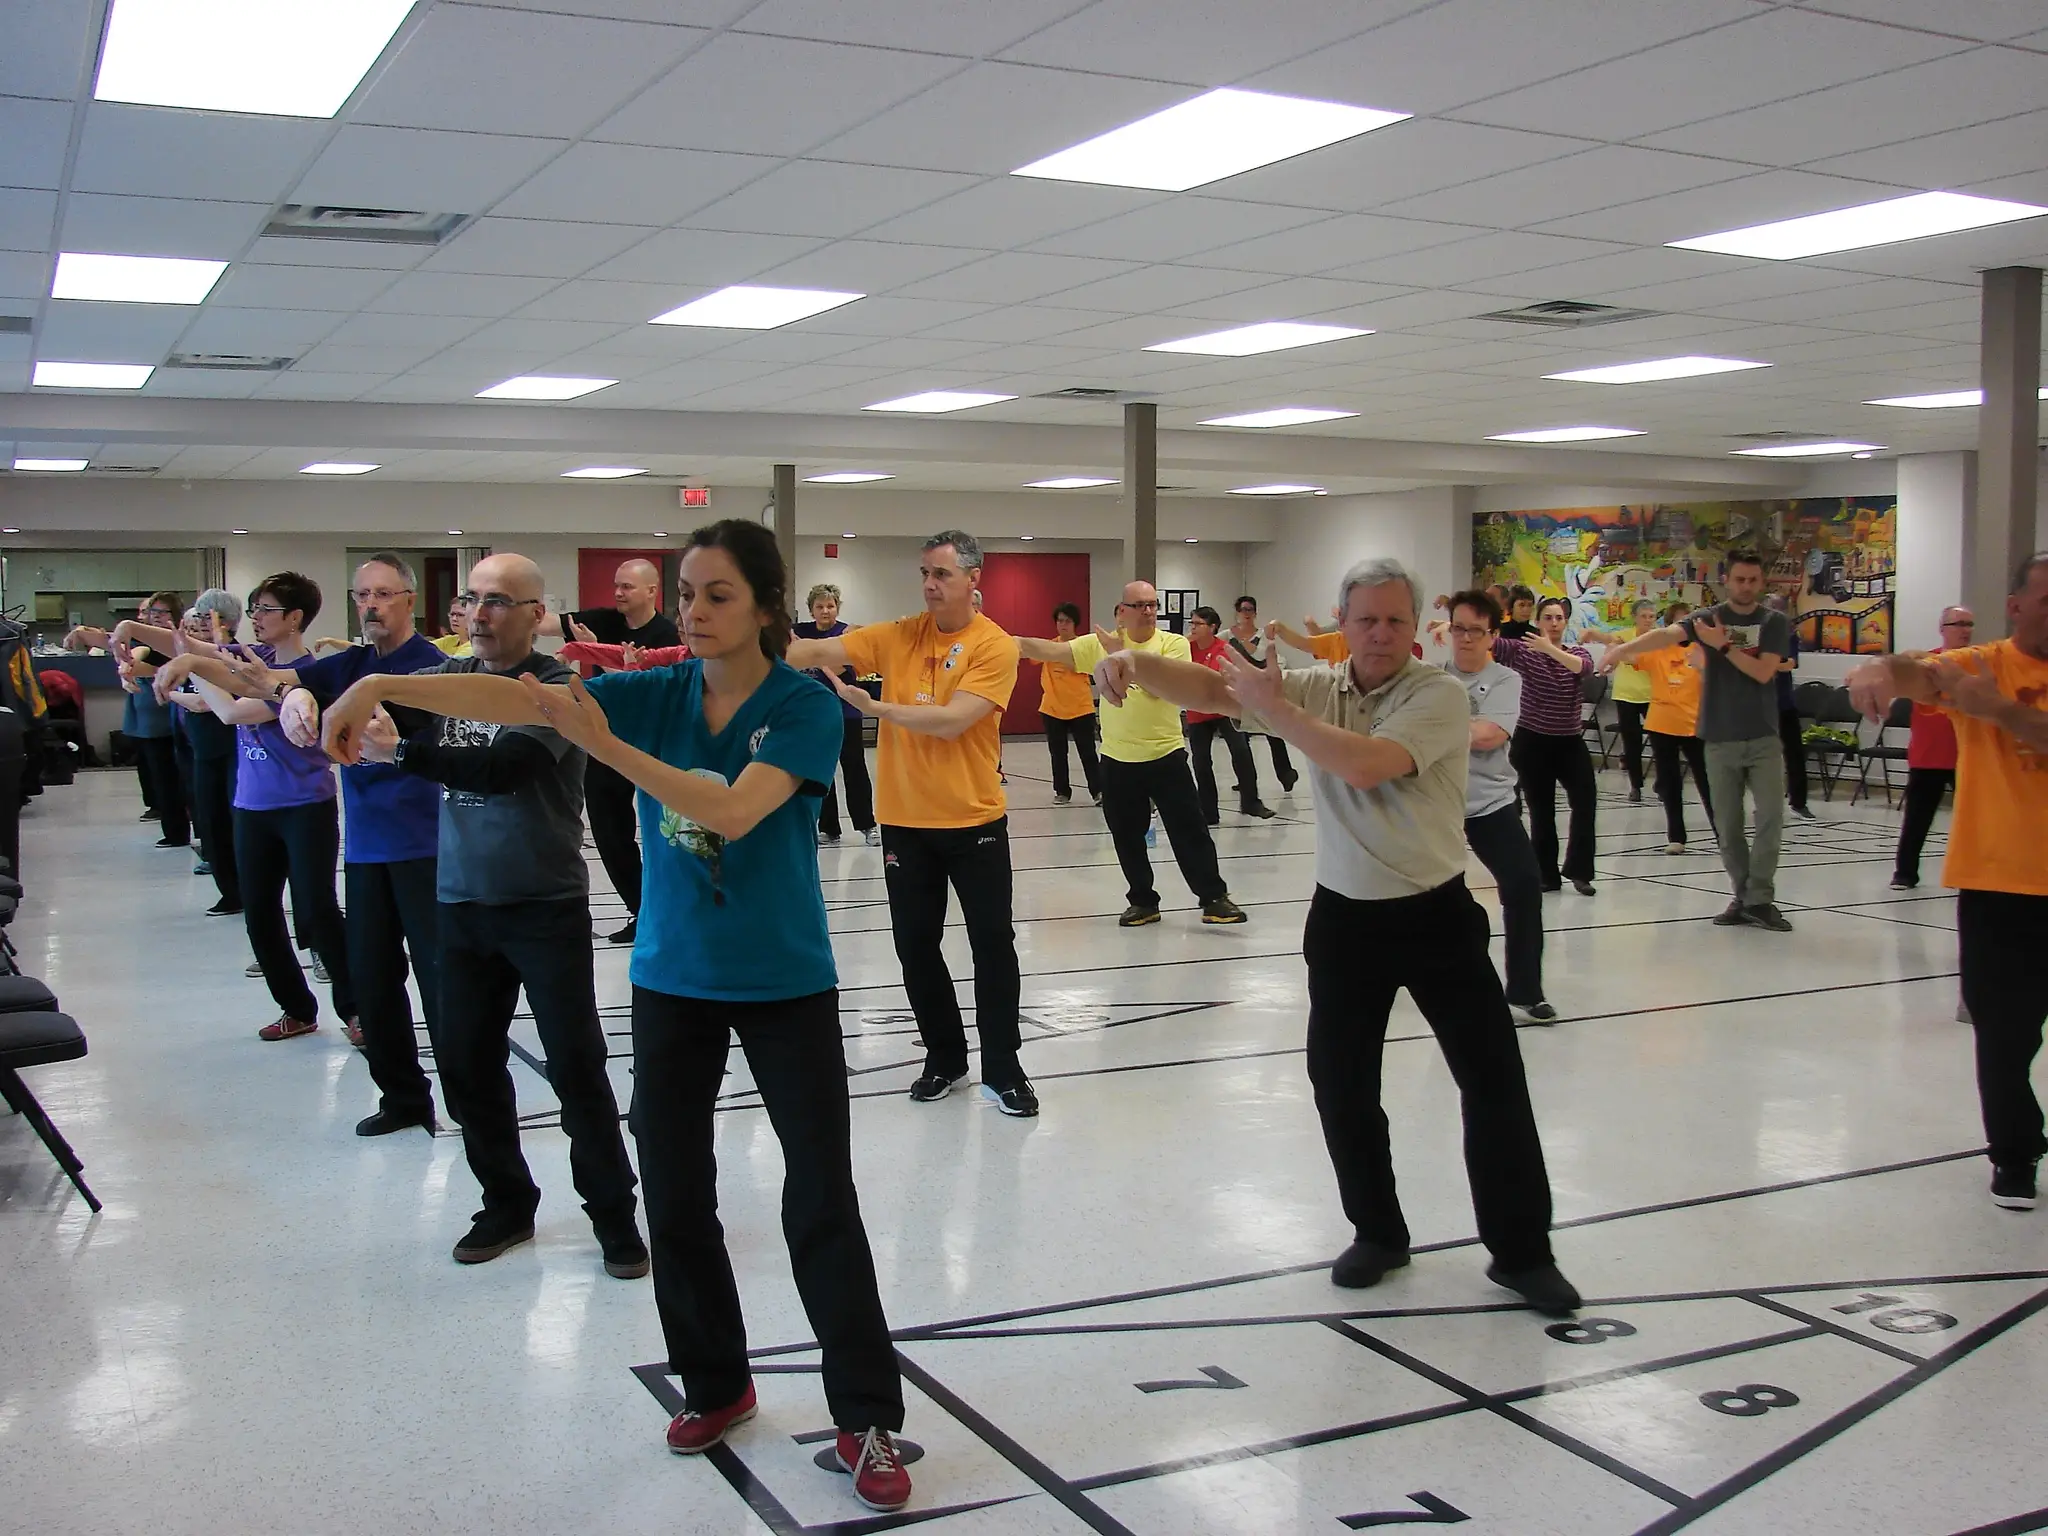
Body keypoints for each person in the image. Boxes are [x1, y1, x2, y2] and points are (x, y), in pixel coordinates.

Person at [331, 522, 914, 1509]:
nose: (692, 611)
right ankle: (717, 1382)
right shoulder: (656, 690)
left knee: (819, 1200)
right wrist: (380, 687)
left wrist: (606, 747)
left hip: (784, 985)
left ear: (768, 608)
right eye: (686, 593)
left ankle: (863, 1418)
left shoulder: (800, 709)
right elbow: (515, 699)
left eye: (717, 595)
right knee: (677, 1198)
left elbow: (730, 810)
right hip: (672, 979)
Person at [1091, 556, 1580, 1316]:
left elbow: (1364, 766)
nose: (1380, 633)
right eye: (1365, 620)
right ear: (1343, 625)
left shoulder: (1439, 696)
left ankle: (1521, 1253)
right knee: (1343, 1086)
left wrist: (1273, 707)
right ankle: (1379, 1232)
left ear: (1419, 628)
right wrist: (1129, 660)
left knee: (1492, 1084)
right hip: (1347, 920)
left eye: (1394, 620)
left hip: (1437, 916)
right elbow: (1215, 690)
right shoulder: (1322, 686)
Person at [317, 554, 647, 1271]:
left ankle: (613, 1216)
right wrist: (305, 697)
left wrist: (400, 751)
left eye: (500, 601)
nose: (482, 614)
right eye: (473, 601)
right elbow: (348, 687)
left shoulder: (559, 689)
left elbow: (503, 773)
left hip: (543, 906)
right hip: (461, 907)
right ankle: (505, 1203)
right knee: (467, 1065)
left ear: (537, 614)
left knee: (576, 1068)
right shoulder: (447, 682)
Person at [172, 556, 451, 1135]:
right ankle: (403, 1098)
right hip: (368, 851)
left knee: (441, 985)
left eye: (382, 594)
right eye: (362, 595)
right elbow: (266, 686)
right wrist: (194, 661)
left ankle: (470, 1102)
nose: (371, 605)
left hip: (425, 849)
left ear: (408, 599)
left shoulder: (433, 668)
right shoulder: (346, 664)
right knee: (374, 984)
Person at [786, 532, 1036, 1116]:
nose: (929, 584)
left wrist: (877, 710)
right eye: (925, 572)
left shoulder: (993, 646)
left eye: (942, 574)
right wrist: (748, 644)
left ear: (975, 579)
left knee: (992, 944)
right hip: (904, 824)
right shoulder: (900, 634)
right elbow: (818, 653)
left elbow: (953, 722)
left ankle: (1004, 1066)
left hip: (973, 822)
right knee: (916, 945)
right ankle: (944, 1057)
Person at [1847, 553, 2048, 1211]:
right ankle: (2014, 1154)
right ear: (2015, 605)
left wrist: (1998, 711)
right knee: (2004, 1033)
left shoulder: (1983, 687)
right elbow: (1919, 675)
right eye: (2046, 600)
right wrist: (1882, 668)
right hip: (1998, 885)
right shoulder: (1980, 664)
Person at [129, 574, 356, 1039]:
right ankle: (296, 1008)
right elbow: (179, 644)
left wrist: (192, 664)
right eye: (253, 608)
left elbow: (231, 710)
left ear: (295, 619)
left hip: (304, 807)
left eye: (266, 610)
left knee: (317, 911)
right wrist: (123, 636)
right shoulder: (253, 658)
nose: (255, 618)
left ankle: (357, 1011)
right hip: (251, 806)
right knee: (259, 912)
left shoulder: (300, 678)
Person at [1018, 582, 1248, 928]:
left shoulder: (1172, 645)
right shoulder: (1099, 644)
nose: (1148, 611)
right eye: (1139, 605)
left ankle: (1213, 897)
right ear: (1122, 610)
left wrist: (1124, 659)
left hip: (1166, 754)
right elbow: (1047, 651)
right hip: (1117, 759)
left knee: (1190, 831)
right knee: (1126, 836)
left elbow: (1166, 691)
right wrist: (996, 640)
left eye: (1153, 605)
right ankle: (1142, 900)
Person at [1602, 551, 1793, 931]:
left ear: (1762, 582)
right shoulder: (1708, 618)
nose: (1746, 587)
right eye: (1740, 579)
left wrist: (1722, 647)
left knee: (1770, 816)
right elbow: (1668, 634)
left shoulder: (1773, 622)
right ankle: (1744, 898)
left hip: (1763, 737)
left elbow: (1762, 671)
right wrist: (1623, 649)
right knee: (1727, 822)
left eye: (1753, 580)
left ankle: (1761, 896)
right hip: (1719, 738)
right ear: (1728, 579)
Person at [540, 558, 679, 945]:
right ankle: (641, 910)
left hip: (653, 742)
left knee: (662, 831)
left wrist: (601, 658)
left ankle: (670, 908)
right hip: (605, 741)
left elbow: (654, 686)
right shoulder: (602, 621)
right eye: (616, 585)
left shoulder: (667, 634)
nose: (618, 593)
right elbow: (547, 623)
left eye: (627, 587)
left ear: (652, 591)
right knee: (608, 830)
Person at [1442, 591, 1554, 1023]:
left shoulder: (1506, 679)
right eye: (1458, 628)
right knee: (1435, 898)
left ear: (1492, 635)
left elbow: (1490, 735)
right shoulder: (1432, 679)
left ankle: (1525, 989)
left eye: (1475, 630)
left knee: (1524, 884)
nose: (1465, 638)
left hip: (1490, 803)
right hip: (1440, 805)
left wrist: (1437, 726)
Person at [1460, 597, 1596, 896]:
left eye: (1559, 618)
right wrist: (1455, 627)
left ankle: (1580, 871)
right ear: (1538, 621)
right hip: (1533, 741)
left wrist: (1550, 648)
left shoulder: (1576, 652)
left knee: (1585, 802)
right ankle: (1546, 874)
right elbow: (1489, 641)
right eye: (1548, 617)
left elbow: (1583, 669)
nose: (1554, 623)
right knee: (1540, 809)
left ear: (1565, 621)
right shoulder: (1522, 651)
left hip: (1570, 742)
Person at [167, 591, 244, 913]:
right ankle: (229, 891)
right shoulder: (195, 657)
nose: (195, 625)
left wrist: (171, 693)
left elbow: (204, 702)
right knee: (210, 822)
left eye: (202, 618)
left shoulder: (231, 656)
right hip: (202, 749)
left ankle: (241, 890)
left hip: (229, 750)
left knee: (231, 823)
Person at [1892, 606, 1975, 889]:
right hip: (1929, 755)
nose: (1965, 629)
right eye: (1958, 623)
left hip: (1967, 754)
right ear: (1943, 628)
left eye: (1969, 624)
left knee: (1972, 820)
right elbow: (1901, 666)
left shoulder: (1977, 664)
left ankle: (1971, 874)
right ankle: (1904, 873)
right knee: (1917, 817)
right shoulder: (1927, 663)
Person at [792, 584, 878, 847]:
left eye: (830, 606)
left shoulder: (845, 634)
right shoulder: (799, 633)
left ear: (837, 608)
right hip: (813, 716)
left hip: (845, 713)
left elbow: (841, 666)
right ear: (811, 610)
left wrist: (812, 654)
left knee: (854, 769)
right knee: (821, 772)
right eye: (819, 606)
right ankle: (828, 828)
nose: (825, 611)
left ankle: (867, 825)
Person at [1636, 602, 1715, 854]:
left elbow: (1720, 681)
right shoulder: (1658, 648)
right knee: (1670, 783)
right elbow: (1631, 655)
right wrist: (1611, 651)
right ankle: (1676, 837)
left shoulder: (1704, 650)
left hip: (1696, 725)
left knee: (1708, 782)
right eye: (1680, 622)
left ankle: (1723, 833)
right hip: (1662, 723)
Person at [1185, 606, 1275, 824]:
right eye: (1192, 623)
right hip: (1197, 711)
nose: (1193, 627)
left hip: (1224, 708)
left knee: (1241, 751)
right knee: (1201, 761)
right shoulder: (1185, 648)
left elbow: (1221, 677)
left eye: (1198, 623)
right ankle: (1208, 811)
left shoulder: (1223, 649)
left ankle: (1251, 802)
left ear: (1213, 627)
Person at [1586, 600, 1657, 802]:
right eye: (1643, 616)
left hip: (1653, 696)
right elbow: (1609, 640)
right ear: (1635, 617)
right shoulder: (1625, 636)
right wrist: (1592, 634)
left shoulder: (1659, 638)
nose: (1648, 620)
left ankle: (1663, 784)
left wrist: (1623, 652)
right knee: (1631, 743)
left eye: (1651, 616)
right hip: (1625, 695)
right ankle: (1635, 785)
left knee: (1661, 742)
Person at [1034, 603, 1101, 806]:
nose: (1063, 625)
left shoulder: (1084, 646)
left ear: (1075, 624)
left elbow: (1092, 670)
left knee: (1088, 752)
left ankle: (1098, 791)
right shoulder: (1049, 645)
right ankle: (1062, 791)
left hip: (1081, 707)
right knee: (1058, 753)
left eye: (1067, 621)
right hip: (1052, 708)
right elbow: (1031, 655)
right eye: (1059, 621)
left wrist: (1063, 653)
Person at [1228, 597, 1298, 793]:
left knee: (1273, 734)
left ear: (1255, 613)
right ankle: (1245, 780)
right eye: (1242, 610)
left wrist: (1242, 641)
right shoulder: (1226, 635)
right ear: (1237, 612)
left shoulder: (1264, 635)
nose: (1246, 613)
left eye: (1250, 609)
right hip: (1239, 691)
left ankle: (1286, 774)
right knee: (1240, 739)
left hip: (1263, 690)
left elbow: (1266, 658)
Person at [1770, 597, 1816, 822]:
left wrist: (1767, 664)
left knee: (1795, 753)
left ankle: (1799, 803)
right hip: (1758, 704)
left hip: (1784, 703)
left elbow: (1790, 663)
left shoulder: (1789, 636)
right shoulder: (1754, 636)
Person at [434, 593, 472, 657]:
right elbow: (423, 648)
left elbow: (451, 664)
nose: (454, 619)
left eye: (460, 615)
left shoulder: (474, 646)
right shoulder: (450, 640)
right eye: (452, 614)